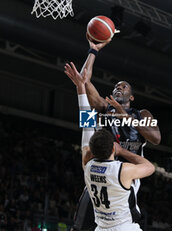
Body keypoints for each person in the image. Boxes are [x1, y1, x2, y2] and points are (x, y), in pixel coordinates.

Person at [67, 36, 161, 231]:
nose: (118, 87)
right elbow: (84, 81)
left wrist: (126, 117)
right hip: (103, 168)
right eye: (116, 86)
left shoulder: (142, 114)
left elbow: (156, 138)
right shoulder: (104, 108)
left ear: (132, 97)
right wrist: (93, 51)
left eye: (123, 86)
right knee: (83, 218)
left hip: (127, 174)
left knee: (118, 220)